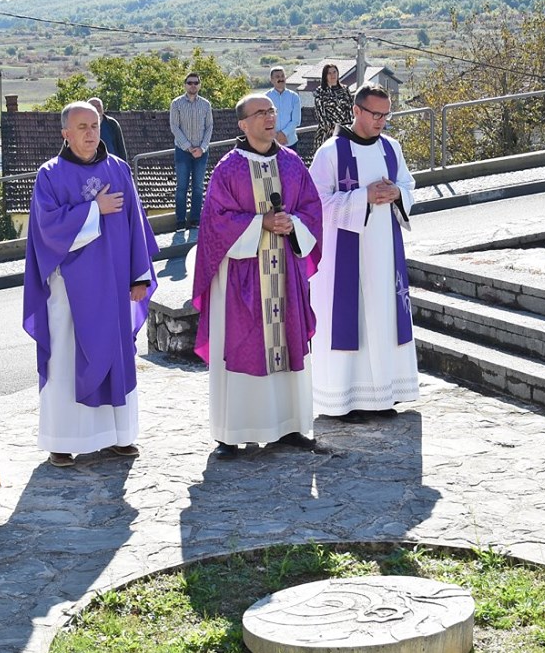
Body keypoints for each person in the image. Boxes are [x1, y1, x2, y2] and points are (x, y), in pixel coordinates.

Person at [23, 101, 158, 467]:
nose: (90, 133)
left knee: (114, 357)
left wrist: (139, 276)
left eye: (94, 126)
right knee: (66, 360)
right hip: (69, 291)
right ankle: (62, 441)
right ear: (65, 133)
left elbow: (135, 225)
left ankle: (117, 436)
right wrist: (94, 208)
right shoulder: (50, 175)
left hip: (113, 286)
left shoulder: (118, 169)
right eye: (81, 127)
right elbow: (47, 230)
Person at [192, 95, 324, 456]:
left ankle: (289, 426)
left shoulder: (292, 164)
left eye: (271, 111)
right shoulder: (228, 169)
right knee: (243, 347)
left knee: (287, 343)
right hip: (242, 277)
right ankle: (233, 432)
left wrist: (292, 223)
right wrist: (260, 223)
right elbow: (214, 224)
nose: (269, 117)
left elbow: (312, 210)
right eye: (260, 113)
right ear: (243, 124)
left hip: (285, 274)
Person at [307, 81, 418, 421]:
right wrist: (362, 198)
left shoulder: (391, 148)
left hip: (384, 251)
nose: (381, 121)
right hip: (343, 255)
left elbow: (408, 185)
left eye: (386, 115)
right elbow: (314, 204)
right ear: (356, 110)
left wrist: (398, 194)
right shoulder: (331, 152)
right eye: (375, 114)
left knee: (383, 317)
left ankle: (383, 396)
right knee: (349, 320)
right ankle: (343, 400)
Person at [169, 72, 214, 228]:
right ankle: (180, 221)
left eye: (196, 82)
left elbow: (209, 127)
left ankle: (195, 220)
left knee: (198, 187)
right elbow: (174, 127)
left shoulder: (206, 105)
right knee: (181, 187)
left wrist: (202, 148)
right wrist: (188, 147)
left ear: (199, 85)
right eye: (190, 83)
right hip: (182, 151)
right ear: (185, 85)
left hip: (202, 152)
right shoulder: (176, 104)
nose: (193, 85)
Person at [311, 63, 353, 138]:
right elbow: (320, 115)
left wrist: (349, 127)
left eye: (334, 72)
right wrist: (331, 129)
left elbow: (351, 109)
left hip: (345, 130)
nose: (332, 75)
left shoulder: (345, 90)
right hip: (327, 133)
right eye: (329, 73)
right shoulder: (320, 92)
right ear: (325, 76)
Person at [266, 68, 303, 147]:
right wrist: (276, 136)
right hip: (271, 142)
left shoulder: (294, 97)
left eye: (282, 76)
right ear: (271, 80)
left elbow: (296, 120)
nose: (281, 79)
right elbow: (264, 120)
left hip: (290, 142)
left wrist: (284, 134)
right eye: (277, 77)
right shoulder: (266, 98)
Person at [92, 97, 128, 163]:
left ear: (103, 108)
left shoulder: (112, 124)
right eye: (93, 106)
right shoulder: (83, 126)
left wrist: (123, 165)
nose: (97, 108)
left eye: (99, 106)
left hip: (112, 164)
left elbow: (121, 147)